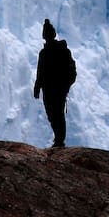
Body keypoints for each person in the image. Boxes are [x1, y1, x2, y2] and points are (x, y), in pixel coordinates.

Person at [33, 18, 76, 148]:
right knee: (53, 114)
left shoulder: (61, 51)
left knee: (56, 113)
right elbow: (40, 71)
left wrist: (65, 85)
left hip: (56, 89)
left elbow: (41, 71)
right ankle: (58, 139)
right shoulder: (46, 52)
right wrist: (37, 86)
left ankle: (59, 140)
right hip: (51, 89)